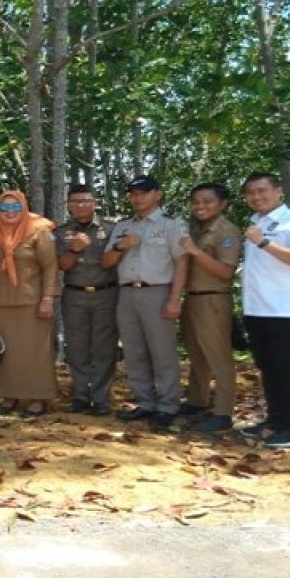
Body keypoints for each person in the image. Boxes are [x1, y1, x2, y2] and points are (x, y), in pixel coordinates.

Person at [238, 172, 290, 449]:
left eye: (262, 190)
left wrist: (264, 242)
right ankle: (276, 421)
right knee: (269, 367)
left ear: (279, 191)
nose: (257, 197)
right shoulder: (256, 222)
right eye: (250, 192)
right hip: (258, 307)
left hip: (286, 307)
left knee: (287, 367)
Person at [101, 175, 188, 431]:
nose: (138, 197)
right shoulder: (123, 226)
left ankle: (168, 405)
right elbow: (106, 262)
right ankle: (145, 402)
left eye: (144, 192)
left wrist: (175, 298)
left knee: (162, 351)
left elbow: (182, 262)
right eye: (134, 193)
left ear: (157, 194)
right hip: (127, 293)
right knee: (134, 350)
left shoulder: (172, 225)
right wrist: (121, 246)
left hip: (158, 291)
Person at [0, 191, 59, 417]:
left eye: (16, 208)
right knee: (5, 353)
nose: (10, 213)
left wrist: (48, 298)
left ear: (24, 208)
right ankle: (9, 395)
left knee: (34, 353)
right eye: (5, 208)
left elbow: (50, 267)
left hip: (31, 302)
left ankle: (38, 398)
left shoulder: (39, 232)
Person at [178, 183, 242, 434]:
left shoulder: (227, 231)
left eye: (207, 201)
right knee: (196, 354)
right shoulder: (195, 228)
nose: (200, 206)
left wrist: (195, 252)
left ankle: (223, 412)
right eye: (196, 201)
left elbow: (226, 272)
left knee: (218, 357)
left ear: (223, 204)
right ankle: (197, 401)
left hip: (213, 300)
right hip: (192, 298)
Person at [55, 184, 120, 416]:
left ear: (95, 202)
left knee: (104, 347)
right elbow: (62, 265)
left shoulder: (112, 228)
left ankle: (101, 398)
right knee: (77, 348)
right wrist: (73, 250)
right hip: (74, 294)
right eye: (75, 202)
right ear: (68, 205)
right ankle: (81, 396)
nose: (80, 205)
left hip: (106, 293)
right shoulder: (61, 232)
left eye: (85, 201)